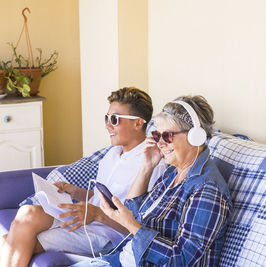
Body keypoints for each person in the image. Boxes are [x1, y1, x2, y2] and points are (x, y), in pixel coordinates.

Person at [0, 87, 166, 267]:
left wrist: (96, 214)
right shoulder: (112, 154)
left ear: (138, 123)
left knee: (10, 241)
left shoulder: (151, 163)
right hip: (86, 219)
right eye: (106, 118)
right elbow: (102, 197)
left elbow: (138, 228)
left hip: (106, 234)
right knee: (27, 214)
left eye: (114, 119)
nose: (108, 125)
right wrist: (75, 192)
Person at [72, 95, 232, 266]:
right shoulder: (172, 173)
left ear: (195, 137)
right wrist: (146, 167)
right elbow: (135, 213)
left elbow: (181, 260)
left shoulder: (207, 190)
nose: (160, 143)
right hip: (121, 259)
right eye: (157, 136)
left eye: (167, 136)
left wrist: (133, 226)